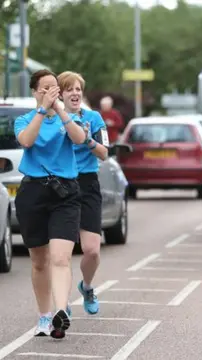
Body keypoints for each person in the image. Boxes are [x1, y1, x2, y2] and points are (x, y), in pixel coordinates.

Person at [14, 69, 87, 339]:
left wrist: (60, 109)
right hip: (33, 192)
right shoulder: (24, 120)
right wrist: (42, 110)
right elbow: (27, 140)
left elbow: (79, 139)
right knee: (39, 261)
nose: (50, 93)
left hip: (65, 193)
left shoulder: (68, 118)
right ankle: (44, 315)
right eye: (45, 89)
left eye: (54, 88)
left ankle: (60, 312)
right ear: (35, 92)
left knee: (60, 257)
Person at [58, 71, 109, 314]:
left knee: (92, 250)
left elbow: (104, 153)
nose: (75, 93)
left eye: (78, 89)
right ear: (60, 94)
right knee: (63, 252)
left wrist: (88, 140)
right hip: (62, 184)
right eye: (70, 89)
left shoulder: (94, 117)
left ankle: (87, 286)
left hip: (87, 184)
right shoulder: (53, 119)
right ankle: (61, 301)